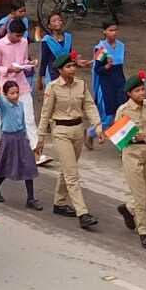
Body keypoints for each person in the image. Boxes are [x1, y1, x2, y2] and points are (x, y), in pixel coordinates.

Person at [37, 52, 99, 230]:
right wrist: (41, 137)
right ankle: (83, 213)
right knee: (72, 174)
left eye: (73, 66)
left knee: (67, 167)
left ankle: (59, 202)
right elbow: (45, 113)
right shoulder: (53, 87)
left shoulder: (81, 84)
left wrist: (98, 126)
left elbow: (89, 105)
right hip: (61, 131)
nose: (72, 69)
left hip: (78, 130)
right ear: (60, 70)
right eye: (68, 66)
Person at [111, 76, 146, 248]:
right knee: (141, 195)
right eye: (137, 90)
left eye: (143, 89)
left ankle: (128, 208)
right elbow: (117, 136)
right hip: (131, 153)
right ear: (129, 93)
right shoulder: (124, 110)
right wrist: (134, 135)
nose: (142, 92)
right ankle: (144, 231)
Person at [0, 80, 40, 208]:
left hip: (21, 138)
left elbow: (23, 123)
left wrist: (27, 138)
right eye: (12, 93)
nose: (15, 95)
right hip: (8, 139)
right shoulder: (4, 106)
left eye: (17, 92)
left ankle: (31, 199)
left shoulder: (21, 105)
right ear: (6, 95)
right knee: (6, 166)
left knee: (28, 166)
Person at [90, 21, 125, 127]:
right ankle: (91, 133)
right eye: (111, 30)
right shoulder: (101, 48)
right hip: (106, 84)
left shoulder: (121, 46)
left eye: (115, 30)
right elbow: (97, 69)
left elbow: (120, 66)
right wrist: (107, 66)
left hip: (119, 82)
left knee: (122, 113)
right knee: (108, 117)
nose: (114, 33)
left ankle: (122, 141)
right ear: (104, 31)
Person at [0, 18, 33, 103]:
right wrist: (10, 69)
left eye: (21, 35)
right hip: (6, 85)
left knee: (28, 114)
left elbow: (24, 60)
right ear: (9, 32)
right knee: (7, 114)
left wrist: (29, 64)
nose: (19, 38)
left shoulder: (24, 42)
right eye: (17, 36)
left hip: (22, 83)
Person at [37, 11, 77, 92]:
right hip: (53, 75)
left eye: (59, 20)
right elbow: (44, 61)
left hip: (67, 74)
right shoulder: (47, 41)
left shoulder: (68, 37)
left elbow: (69, 56)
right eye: (54, 21)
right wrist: (40, 79)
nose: (58, 22)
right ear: (49, 26)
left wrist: (77, 61)